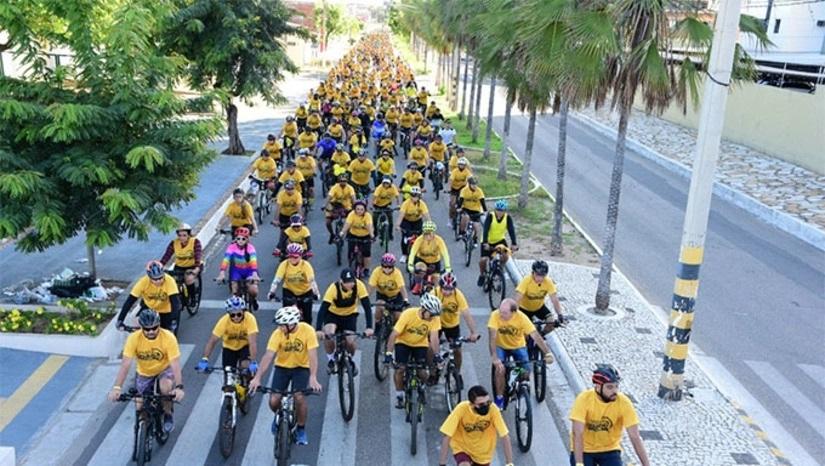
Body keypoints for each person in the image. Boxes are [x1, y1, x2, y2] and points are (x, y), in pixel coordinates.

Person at [249, 306, 322, 446]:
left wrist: (313, 376)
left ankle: (300, 429)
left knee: (299, 397)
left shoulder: (308, 330)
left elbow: (313, 355)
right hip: (282, 367)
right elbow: (268, 356)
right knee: (274, 401)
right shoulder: (277, 334)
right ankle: (280, 416)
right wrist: (257, 378)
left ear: (291, 324)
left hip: (301, 367)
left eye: (282, 325)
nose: (280, 328)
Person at [108, 309, 184, 433]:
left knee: (165, 388)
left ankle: (168, 414)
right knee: (139, 407)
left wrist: (179, 387)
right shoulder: (133, 339)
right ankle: (143, 432)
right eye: (147, 329)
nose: (151, 331)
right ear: (141, 327)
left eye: (154, 328)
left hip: (164, 369)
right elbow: (125, 365)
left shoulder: (168, 337)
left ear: (159, 325)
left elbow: (175, 364)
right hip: (144, 372)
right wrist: (117, 388)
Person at [569, 366, 651, 466]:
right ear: (598, 387)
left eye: (616, 386)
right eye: (610, 387)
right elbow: (578, 433)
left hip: (609, 449)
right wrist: (579, 463)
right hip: (585, 449)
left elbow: (635, 436)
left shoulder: (623, 402)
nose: (615, 391)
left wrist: (646, 465)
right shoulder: (584, 399)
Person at [488, 298, 553, 409]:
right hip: (501, 346)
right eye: (500, 311)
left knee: (526, 371)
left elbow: (535, 336)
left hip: (518, 346)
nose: (501, 314)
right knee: (500, 370)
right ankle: (499, 399)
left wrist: (547, 353)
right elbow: (492, 338)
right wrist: (494, 358)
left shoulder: (522, 318)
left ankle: (517, 381)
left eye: (504, 313)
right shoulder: (495, 315)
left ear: (514, 312)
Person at [385, 292, 442, 409]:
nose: (432, 317)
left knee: (421, 371)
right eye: (430, 314)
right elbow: (394, 335)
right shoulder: (408, 314)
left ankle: (422, 389)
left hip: (420, 343)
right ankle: (400, 395)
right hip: (403, 342)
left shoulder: (434, 318)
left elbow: (434, 337)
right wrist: (389, 353)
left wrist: (436, 354)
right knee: (400, 369)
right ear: (423, 309)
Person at [315, 269, 374, 375]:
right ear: (341, 281)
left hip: (349, 316)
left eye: (351, 281)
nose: (349, 285)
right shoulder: (333, 288)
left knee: (350, 341)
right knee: (329, 334)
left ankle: (350, 359)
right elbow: (322, 310)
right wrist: (318, 329)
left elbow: (367, 307)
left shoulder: (359, 285)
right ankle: (331, 360)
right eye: (347, 282)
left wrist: (369, 327)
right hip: (332, 315)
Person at [438, 385, 514, 466]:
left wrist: (509, 463)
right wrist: (442, 463)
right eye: (481, 404)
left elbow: (505, 436)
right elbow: (447, 436)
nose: (486, 406)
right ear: (471, 404)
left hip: (483, 453)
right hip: (462, 447)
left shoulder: (493, 409)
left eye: (488, 402)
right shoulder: (461, 409)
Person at [197, 296, 259, 376]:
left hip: (245, 346)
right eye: (233, 315)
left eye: (239, 314)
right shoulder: (224, 321)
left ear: (243, 312)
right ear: (229, 314)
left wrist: (253, 361)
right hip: (229, 348)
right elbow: (212, 341)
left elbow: (252, 343)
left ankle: (248, 384)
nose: (236, 317)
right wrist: (205, 359)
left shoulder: (250, 319)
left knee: (246, 367)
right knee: (229, 377)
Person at [117, 260, 182, 333]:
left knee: (168, 335)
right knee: (138, 326)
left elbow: (175, 303)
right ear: (149, 277)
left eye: (160, 278)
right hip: (150, 310)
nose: (158, 281)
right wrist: (120, 320)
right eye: (155, 279)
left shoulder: (169, 281)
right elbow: (130, 301)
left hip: (167, 310)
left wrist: (173, 320)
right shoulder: (143, 282)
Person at [434, 273, 479, 373]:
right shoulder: (435, 293)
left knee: (457, 350)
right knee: (431, 347)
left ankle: (457, 372)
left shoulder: (458, 295)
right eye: (444, 289)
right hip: (437, 323)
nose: (447, 292)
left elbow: (466, 314)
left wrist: (473, 332)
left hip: (452, 325)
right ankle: (433, 373)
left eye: (450, 289)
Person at [268, 243, 320, 324]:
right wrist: (271, 292)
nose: (293, 259)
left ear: (301, 256)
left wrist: (316, 293)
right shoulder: (284, 264)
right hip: (289, 291)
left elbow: (312, 281)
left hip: (305, 291)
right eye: (290, 256)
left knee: (308, 318)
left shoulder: (306, 265)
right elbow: (276, 280)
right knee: (286, 316)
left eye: (296, 257)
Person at [514, 260, 566, 334]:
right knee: (526, 331)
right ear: (533, 273)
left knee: (551, 323)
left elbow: (554, 299)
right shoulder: (526, 280)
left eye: (543, 276)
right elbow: (517, 298)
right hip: (524, 308)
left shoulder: (548, 282)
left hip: (539, 307)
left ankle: (541, 336)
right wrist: (515, 312)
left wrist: (560, 314)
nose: (540, 278)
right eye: (537, 275)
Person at [216, 227, 261, 310]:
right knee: (235, 290)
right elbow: (226, 259)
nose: (240, 240)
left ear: (247, 239)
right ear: (235, 239)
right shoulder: (231, 247)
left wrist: (254, 273)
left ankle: (253, 299)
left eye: (243, 239)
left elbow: (253, 260)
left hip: (249, 270)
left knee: (253, 290)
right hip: (237, 270)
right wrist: (222, 272)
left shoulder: (251, 248)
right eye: (238, 238)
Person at [159, 223, 202, 303]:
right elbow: (167, 255)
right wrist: (161, 265)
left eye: (184, 235)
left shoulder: (195, 242)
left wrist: (196, 268)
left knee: (189, 280)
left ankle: (193, 298)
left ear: (189, 235)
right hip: (179, 266)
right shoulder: (174, 243)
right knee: (173, 283)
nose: (181, 238)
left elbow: (198, 254)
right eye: (179, 235)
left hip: (192, 266)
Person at [479, 199, 518, 286]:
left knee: (506, 255)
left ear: (505, 211)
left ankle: (500, 267)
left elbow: (511, 230)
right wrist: (485, 242)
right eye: (498, 210)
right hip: (488, 240)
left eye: (502, 211)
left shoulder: (507, 218)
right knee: (483, 260)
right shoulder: (490, 216)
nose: (499, 212)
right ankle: (482, 275)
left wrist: (514, 243)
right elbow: (486, 229)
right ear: (495, 210)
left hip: (500, 240)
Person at [407, 220, 451, 292]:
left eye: (430, 233)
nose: (428, 236)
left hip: (434, 262)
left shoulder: (439, 240)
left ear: (433, 233)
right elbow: (413, 252)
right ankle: (418, 284)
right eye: (426, 234)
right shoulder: (419, 240)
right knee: (420, 269)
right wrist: (410, 264)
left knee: (436, 283)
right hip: (422, 260)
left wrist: (448, 267)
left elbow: (445, 253)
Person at [368, 253, 409, 329]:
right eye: (384, 266)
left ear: (393, 266)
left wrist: (406, 300)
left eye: (390, 267)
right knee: (379, 306)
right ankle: (377, 326)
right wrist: (366, 299)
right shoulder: (376, 272)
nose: (387, 269)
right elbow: (371, 287)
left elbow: (402, 288)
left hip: (396, 296)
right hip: (382, 295)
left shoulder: (397, 273)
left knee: (398, 316)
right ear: (381, 265)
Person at [395, 186, 431, 263]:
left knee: (421, 238)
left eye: (416, 196)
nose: (414, 197)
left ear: (419, 196)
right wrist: (397, 225)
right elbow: (401, 215)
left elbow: (427, 215)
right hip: (406, 222)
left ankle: (421, 253)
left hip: (417, 222)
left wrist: (430, 226)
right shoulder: (406, 203)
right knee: (405, 238)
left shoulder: (422, 204)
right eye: (413, 195)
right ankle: (404, 254)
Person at [339, 200, 375, 274]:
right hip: (353, 235)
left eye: (362, 209)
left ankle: (366, 269)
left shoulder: (367, 216)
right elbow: (347, 224)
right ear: (354, 209)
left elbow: (369, 226)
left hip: (365, 236)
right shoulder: (351, 215)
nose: (359, 211)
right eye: (357, 209)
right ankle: (350, 263)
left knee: (366, 253)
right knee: (350, 251)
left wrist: (372, 235)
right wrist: (342, 232)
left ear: (365, 210)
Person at [324, 174, 357, 243]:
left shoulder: (350, 188)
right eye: (341, 181)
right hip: (334, 206)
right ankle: (332, 234)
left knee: (352, 220)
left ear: (347, 181)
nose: (343, 182)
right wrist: (325, 205)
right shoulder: (334, 187)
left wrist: (356, 205)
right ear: (339, 181)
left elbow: (353, 198)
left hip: (346, 206)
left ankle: (349, 233)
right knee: (328, 222)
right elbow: (329, 197)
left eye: (344, 181)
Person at [457, 176, 486, 241]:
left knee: (476, 227)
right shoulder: (464, 190)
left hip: (476, 210)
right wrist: (459, 207)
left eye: (476, 184)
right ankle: (461, 232)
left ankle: (475, 239)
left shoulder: (479, 191)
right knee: (465, 217)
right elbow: (461, 199)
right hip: (466, 208)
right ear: (469, 184)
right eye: (473, 184)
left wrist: (485, 211)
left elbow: (482, 201)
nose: (474, 186)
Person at [449, 157, 473, 226]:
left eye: (463, 165)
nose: (461, 166)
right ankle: (450, 219)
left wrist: (470, 187)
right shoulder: (455, 171)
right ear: (458, 165)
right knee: (452, 204)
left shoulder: (466, 171)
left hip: (462, 188)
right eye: (460, 165)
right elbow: (451, 180)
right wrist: (449, 189)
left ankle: (462, 214)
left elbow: (470, 179)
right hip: (454, 188)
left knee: (464, 202)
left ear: (465, 166)